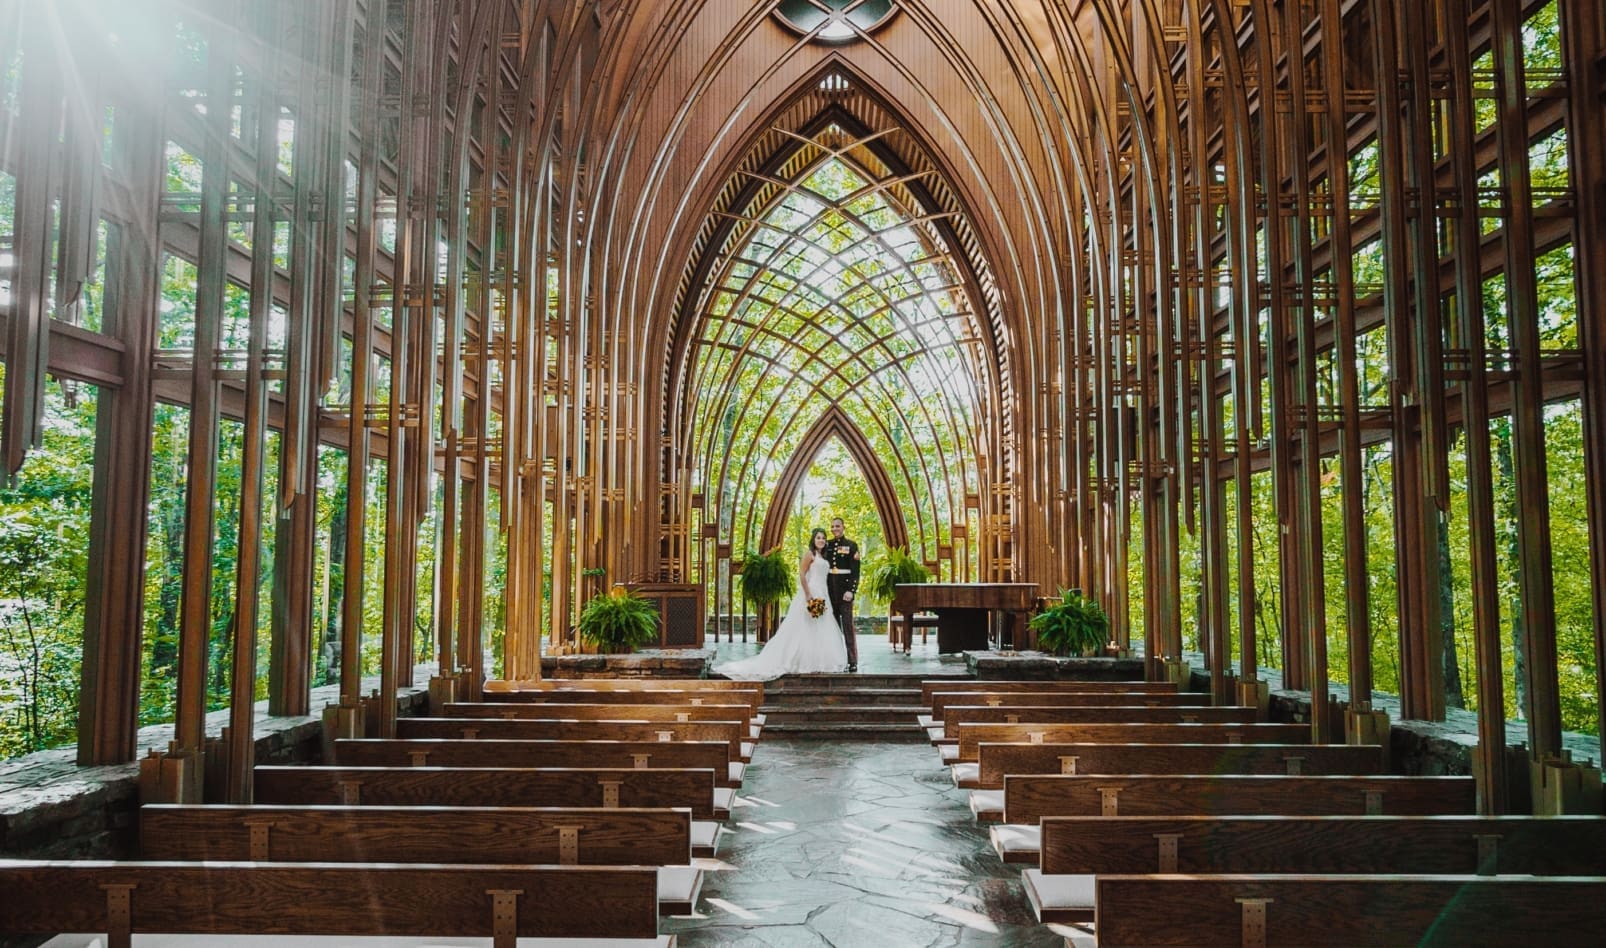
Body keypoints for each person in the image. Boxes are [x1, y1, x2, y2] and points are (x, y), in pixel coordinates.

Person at [716, 528, 849, 681]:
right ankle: (795, 659)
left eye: (823, 538)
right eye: (818, 537)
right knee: (805, 627)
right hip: (811, 592)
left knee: (821, 627)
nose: (821, 540)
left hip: (823, 594)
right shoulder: (809, 554)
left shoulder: (823, 556)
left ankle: (820, 659)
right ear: (813, 539)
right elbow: (802, 574)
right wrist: (807, 594)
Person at [824, 517, 861, 672]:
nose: (834, 529)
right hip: (830, 590)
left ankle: (852, 660)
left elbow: (855, 571)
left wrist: (851, 590)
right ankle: (836, 659)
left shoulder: (851, 545)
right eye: (832, 526)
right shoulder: (828, 545)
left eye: (837, 526)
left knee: (847, 626)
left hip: (844, 591)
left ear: (843, 527)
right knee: (832, 627)